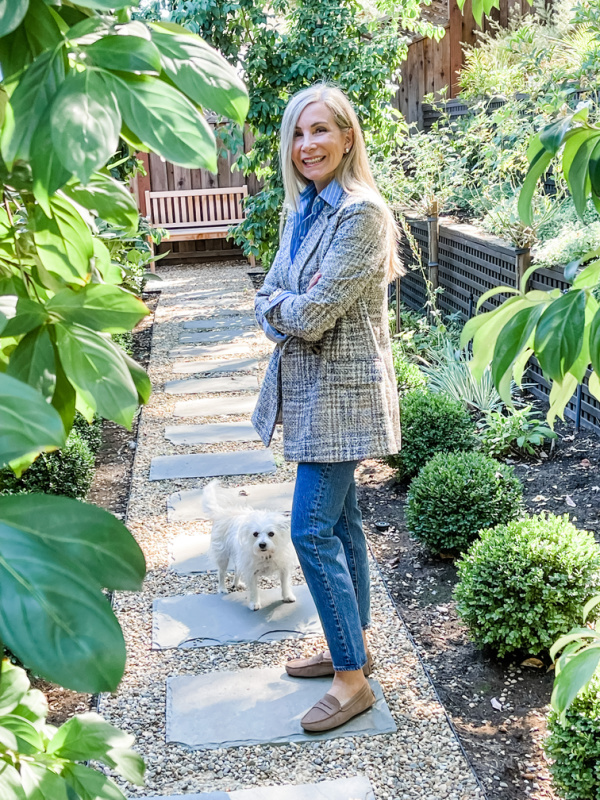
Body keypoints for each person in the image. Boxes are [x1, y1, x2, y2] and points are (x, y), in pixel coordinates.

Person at [252, 83, 402, 733]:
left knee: (310, 529)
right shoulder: (303, 209)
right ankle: (356, 649)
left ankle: (351, 681)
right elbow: (271, 293)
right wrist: (280, 302)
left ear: (348, 137)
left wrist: (280, 305)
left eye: (321, 131)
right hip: (313, 393)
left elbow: (309, 315)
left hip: (344, 396)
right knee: (339, 528)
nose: (307, 145)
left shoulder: (361, 213)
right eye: (297, 134)